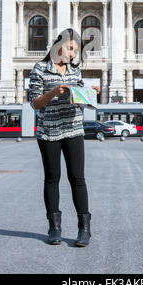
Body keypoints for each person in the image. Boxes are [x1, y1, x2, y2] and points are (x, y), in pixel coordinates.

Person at [29, 28, 100, 247]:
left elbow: (80, 100)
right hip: (48, 131)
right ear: (58, 44)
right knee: (52, 179)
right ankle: (54, 228)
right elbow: (34, 103)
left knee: (78, 179)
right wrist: (53, 93)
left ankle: (84, 229)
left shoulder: (75, 71)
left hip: (73, 129)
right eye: (70, 49)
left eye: (75, 51)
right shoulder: (39, 69)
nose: (71, 55)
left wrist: (89, 95)